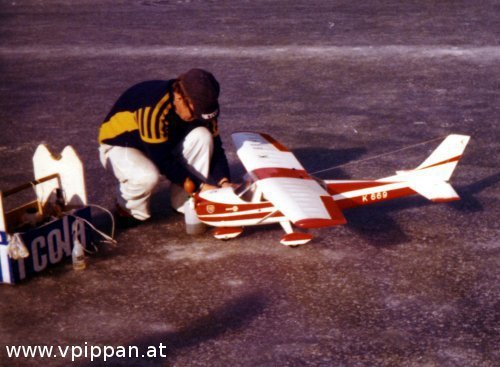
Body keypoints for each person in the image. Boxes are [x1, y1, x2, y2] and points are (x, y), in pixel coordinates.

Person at [98, 68, 232, 224]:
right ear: (179, 97)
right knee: (146, 176)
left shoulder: (203, 109)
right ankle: (128, 210)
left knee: (203, 135)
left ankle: (185, 201)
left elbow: (216, 147)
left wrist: (224, 182)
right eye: (195, 113)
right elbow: (162, 160)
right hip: (121, 145)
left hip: (162, 142)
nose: (198, 118)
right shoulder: (152, 109)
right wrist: (200, 187)